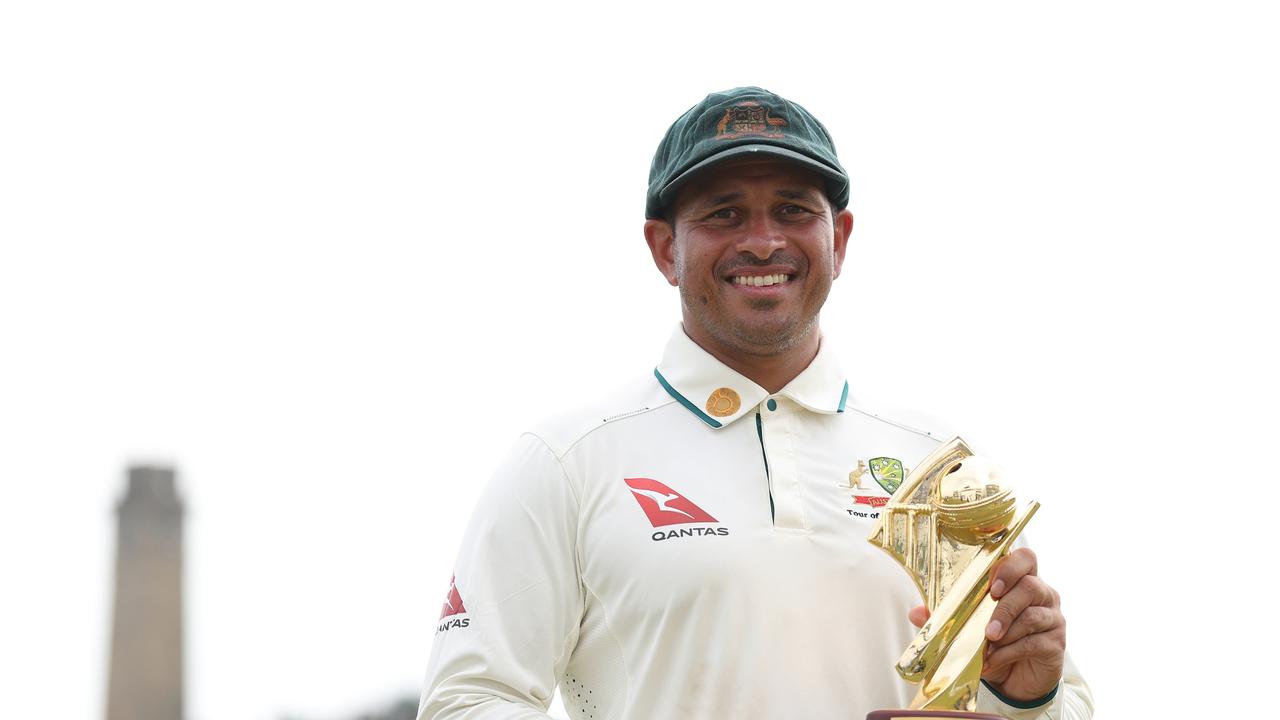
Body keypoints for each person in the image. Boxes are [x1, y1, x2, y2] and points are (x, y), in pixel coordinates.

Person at [418, 87, 1093, 719]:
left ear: (840, 238)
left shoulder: (940, 464)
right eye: (724, 213)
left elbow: (1049, 697)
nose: (763, 240)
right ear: (664, 249)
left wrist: (1029, 699)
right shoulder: (569, 459)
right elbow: (470, 697)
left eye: (794, 210)